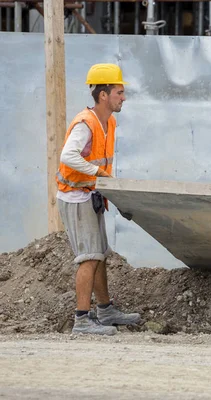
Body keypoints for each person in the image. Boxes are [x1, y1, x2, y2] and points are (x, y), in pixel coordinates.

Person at [56, 63, 141, 335]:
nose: (123, 97)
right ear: (103, 95)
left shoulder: (109, 122)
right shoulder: (86, 123)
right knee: (89, 257)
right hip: (76, 197)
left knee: (100, 255)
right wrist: (98, 173)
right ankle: (81, 320)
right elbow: (67, 156)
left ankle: (104, 310)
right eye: (119, 92)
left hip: (90, 196)